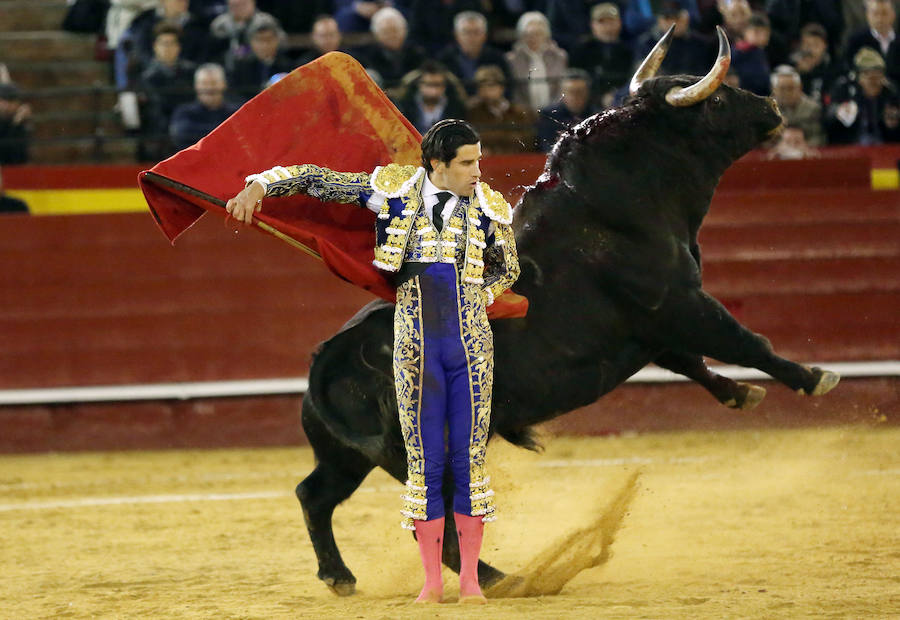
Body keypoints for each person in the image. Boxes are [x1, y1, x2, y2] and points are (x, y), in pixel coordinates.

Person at [224, 118, 520, 604]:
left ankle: (469, 582)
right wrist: (262, 183)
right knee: (423, 463)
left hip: (470, 343)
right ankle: (431, 584)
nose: (477, 171)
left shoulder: (489, 204)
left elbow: (508, 266)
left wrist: (475, 296)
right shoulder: (393, 190)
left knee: (468, 463)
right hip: (414, 341)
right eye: (467, 162)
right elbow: (319, 180)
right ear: (437, 165)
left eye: (478, 160)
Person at [138, 22, 197, 160]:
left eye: (171, 43)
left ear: (178, 47)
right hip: (159, 128)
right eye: (163, 43)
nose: (167, 48)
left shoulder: (191, 72)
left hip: (186, 125)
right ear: (155, 47)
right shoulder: (146, 76)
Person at [825, 47, 900, 144]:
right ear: (858, 77)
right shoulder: (844, 89)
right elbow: (827, 117)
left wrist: (893, 124)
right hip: (851, 146)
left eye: (878, 75)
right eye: (868, 75)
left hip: (884, 146)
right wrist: (837, 112)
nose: (874, 81)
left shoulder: (890, 92)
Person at [505, 11, 569, 111]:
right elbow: (514, 92)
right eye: (528, 34)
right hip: (524, 114)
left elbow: (561, 88)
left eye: (538, 34)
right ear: (521, 36)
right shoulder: (511, 59)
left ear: (546, 35)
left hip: (555, 112)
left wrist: (553, 111)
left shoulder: (560, 56)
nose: (533, 38)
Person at [437, 11, 513, 95]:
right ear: (456, 35)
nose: (471, 37)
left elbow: (508, 88)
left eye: (476, 32)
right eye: (466, 32)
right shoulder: (444, 59)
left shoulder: (497, 58)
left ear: (485, 35)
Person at [466, 64, 537, 154]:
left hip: (517, 161)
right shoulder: (474, 113)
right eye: (481, 87)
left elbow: (528, 140)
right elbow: (474, 139)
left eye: (490, 86)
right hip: (488, 162)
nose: (486, 91)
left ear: (501, 87)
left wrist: (495, 138)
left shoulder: (519, 112)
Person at [634, 2, 715, 79]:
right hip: (660, 89)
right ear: (659, 20)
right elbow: (644, 75)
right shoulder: (647, 43)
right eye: (667, 18)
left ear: (686, 18)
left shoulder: (701, 43)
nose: (672, 22)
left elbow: (705, 73)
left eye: (677, 18)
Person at [169, 63, 240, 150]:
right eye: (204, 83)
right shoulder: (184, 112)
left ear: (224, 85)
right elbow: (181, 133)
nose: (209, 88)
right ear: (196, 86)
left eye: (213, 83)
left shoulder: (236, 112)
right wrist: (226, 132)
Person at [355, 7, 426, 93]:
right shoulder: (366, 56)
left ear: (405, 31)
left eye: (395, 30)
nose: (392, 35)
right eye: (386, 32)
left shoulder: (417, 53)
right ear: (376, 35)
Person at [227, 18, 294, 101]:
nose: (264, 45)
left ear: (277, 40)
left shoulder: (288, 65)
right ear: (251, 42)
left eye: (268, 39)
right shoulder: (241, 67)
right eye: (259, 40)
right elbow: (235, 95)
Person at [395, 60, 468, 134]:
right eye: (429, 84)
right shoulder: (406, 106)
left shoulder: (455, 107)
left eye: (437, 85)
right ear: (420, 85)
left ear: (444, 86)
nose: (433, 90)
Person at [535, 68, 596, 151]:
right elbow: (546, 146)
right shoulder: (549, 115)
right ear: (562, 94)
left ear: (587, 93)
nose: (575, 97)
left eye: (579, 92)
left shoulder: (597, 115)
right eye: (571, 92)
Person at [208, 0, 279, 70]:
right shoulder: (220, 25)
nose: (239, 8)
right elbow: (214, 51)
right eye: (234, 5)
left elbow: (280, 44)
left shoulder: (266, 22)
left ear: (252, 3)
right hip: (228, 67)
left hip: (260, 66)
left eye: (243, 4)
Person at [845, 0, 900, 85]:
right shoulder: (856, 41)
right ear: (868, 16)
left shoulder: (897, 41)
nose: (880, 19)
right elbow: (847, 68)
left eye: (884, 14)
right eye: (875, 14)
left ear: (893, 15)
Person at [770, 65, 825, 146]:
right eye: (782, 89)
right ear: (774, 90)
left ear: (800, 88)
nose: (786, 93)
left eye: (790, 88)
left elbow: (819, 137)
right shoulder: (768, 111)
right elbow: (762, 142)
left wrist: (803, 147)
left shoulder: (812, 109)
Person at [792, 22, 839, 105]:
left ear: (825, 46)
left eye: (815, 45)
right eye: (807, 44)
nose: (810, 49)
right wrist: (800, 73)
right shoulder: (791, 67)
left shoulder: (833, 68)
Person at [0, 81, 30, 165]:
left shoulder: (20, 124)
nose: (7, 106)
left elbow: (20, 159)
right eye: (4, 100)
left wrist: (17, 123)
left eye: (11, 101)